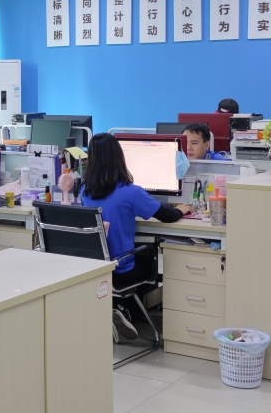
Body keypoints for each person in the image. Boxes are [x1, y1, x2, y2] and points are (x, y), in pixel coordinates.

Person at [80, 133, 191, 342]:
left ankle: (118, 308)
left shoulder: (84, 191)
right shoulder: (131, 192)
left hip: (98, 268)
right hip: (123, 270)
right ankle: (123, 308)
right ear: (119, 157)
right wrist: (180, 210)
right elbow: (167, 217)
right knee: (150, 256)